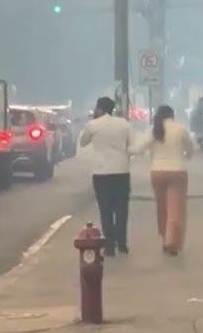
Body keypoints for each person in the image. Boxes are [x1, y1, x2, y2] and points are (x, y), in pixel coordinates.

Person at [133, 105, 194, 255]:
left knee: (161, 207)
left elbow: (138, 149)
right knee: (175, 209)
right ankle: (171, 242)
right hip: (177, 172)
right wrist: (186, 156)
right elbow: (190, 148)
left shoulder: (154, 129)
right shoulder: (180, 129)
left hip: (157, 172)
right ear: (172, 115)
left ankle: (164, 237)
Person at [78, 95, 132, 256]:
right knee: (122, 209)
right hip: (121, 171)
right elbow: (131, 143)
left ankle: (109, 245)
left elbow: (83, 142)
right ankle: (122, 243)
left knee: (106, 209)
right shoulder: (124, 124)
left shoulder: (93, 125)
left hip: (101, 173)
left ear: (99, 109)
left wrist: (93, 122)